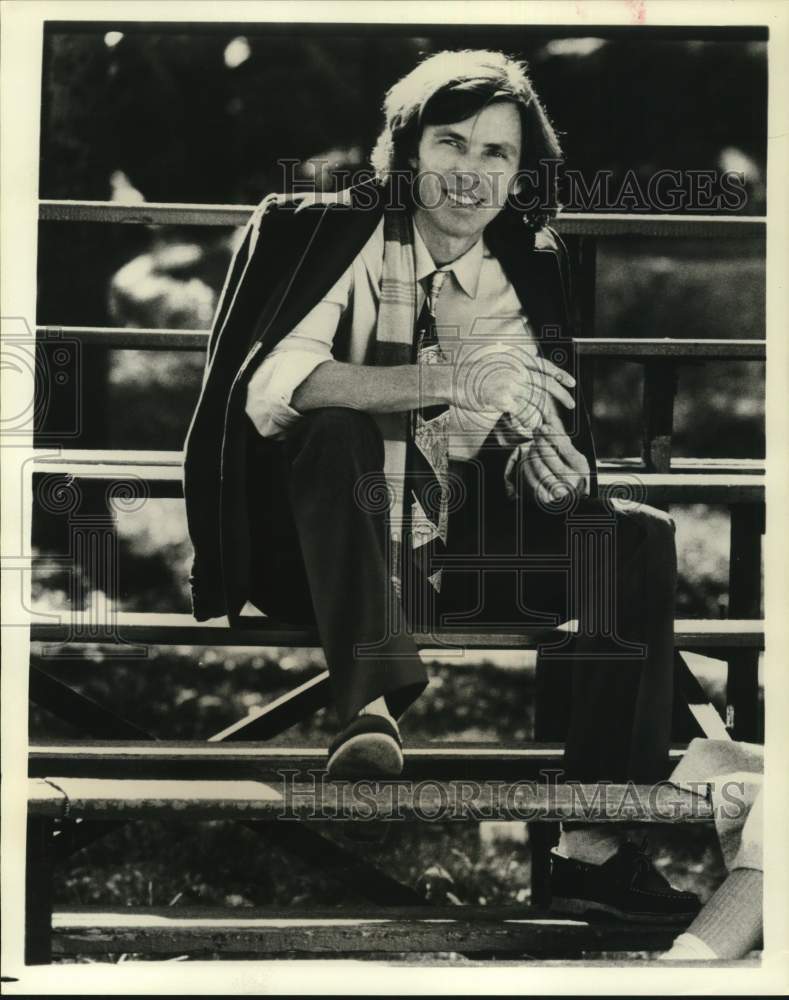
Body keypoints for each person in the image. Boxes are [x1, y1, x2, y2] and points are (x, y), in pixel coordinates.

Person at [183, 49, 699, 922]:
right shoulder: (327, 233)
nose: (471, 172)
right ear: (405, 150)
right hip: (313, 547)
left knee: (628, 536)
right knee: (340, 424)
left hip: (451, 546)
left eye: (496, 154)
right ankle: (371, 707)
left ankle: (592, 846)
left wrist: (551, 467)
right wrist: (446, 377)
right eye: (450, 143)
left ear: (519, 171)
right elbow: (280, 389)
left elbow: (511, 418)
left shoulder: (523, 264)